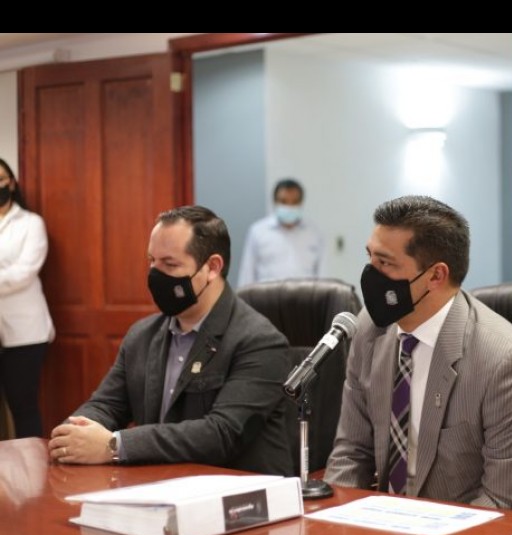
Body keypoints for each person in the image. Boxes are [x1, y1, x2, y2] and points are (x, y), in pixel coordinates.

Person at [324, 195, 512, 512]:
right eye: (369, 257)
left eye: (385, 263)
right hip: (387, 525)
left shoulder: (506, 360)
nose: (370, 274)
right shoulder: (369, 328)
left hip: (473, 529)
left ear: (435, 276)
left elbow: (503, 501)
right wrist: (333, 522)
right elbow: (351, 453)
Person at [48, 206, 293, 475]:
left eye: (170, 264)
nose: (155, 275)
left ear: (212, 267)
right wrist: (75, 433)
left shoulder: (259, 341)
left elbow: (221, 433)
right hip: (160, 483)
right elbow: (107, 404)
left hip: (236, 489)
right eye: (152, 261)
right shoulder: (142, 335)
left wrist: (114, 445)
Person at [0, 159, 55, 439]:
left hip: (25, 332)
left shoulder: (31, 223)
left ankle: (32, 464)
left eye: (1, 179)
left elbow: (24, 272)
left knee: (23, 405)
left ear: (12, 183)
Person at [237, 179, 325, 287]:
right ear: (275, 202)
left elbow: (322, 274)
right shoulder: (258, 232)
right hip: (267, 296)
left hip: (305, 296)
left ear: (301, 203)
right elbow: (247, 274)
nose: (289, 207)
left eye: (294, 202)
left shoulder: (313, 233)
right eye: (284, 202)